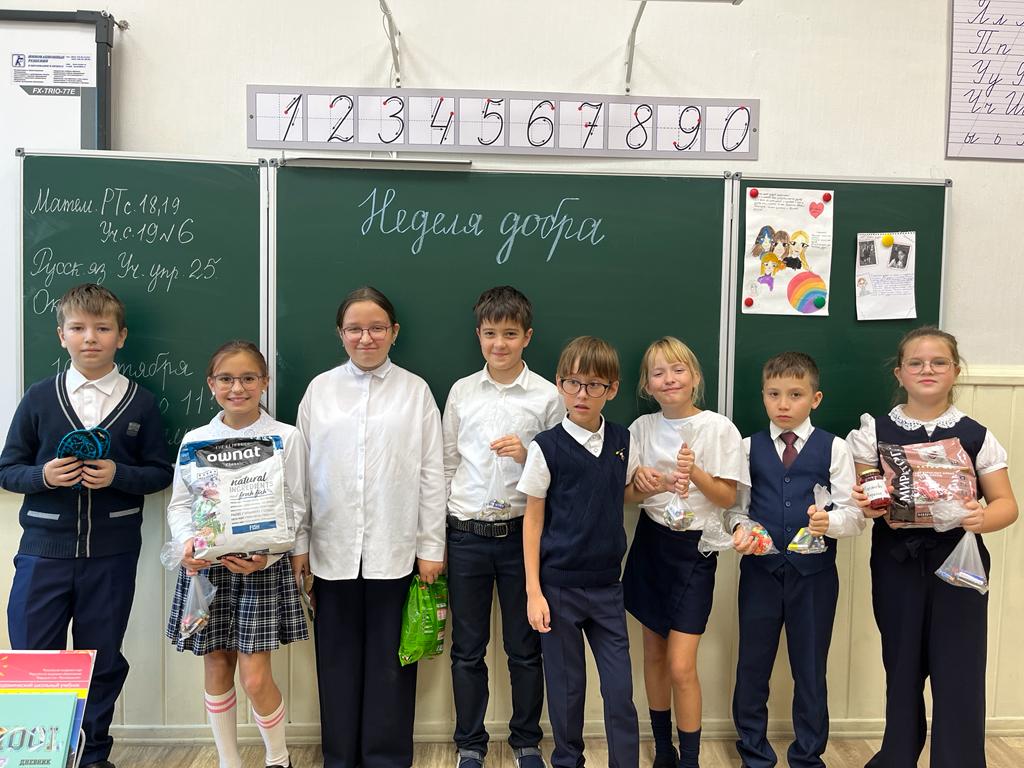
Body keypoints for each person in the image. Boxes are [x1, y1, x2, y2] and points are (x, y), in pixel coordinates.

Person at [0, 283, 173, 768]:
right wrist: (43, 476)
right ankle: (37, 758)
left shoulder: (141, 403)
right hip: (42, 551)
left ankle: (93, 755)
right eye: (78, 328)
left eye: (102, 328)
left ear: (121, 336)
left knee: (102, 658)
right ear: (61, 335)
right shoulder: (39, 397)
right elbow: (7, 469)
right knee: (34, 658)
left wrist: (119, 474)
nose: (90, 337)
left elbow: (160, 472)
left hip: (111, 555)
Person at [846, 327, 1018, 768]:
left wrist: (983, 518)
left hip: (960, 561)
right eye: (916, 363)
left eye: (939, 362)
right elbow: (869, 495)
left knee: (959, 667)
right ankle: (897, 757)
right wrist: (866, 502)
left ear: (955, 370)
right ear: (899, 372)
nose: (928, 369)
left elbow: (1006, 505)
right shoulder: (873, 432)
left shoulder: (976, 435)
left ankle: (959, 761)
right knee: (902, 663)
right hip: (897, 559)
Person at [293, 286, 446, 768]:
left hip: (395, 549)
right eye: (355, 328)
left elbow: (432, 473)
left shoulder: (416, 392)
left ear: (394, 332)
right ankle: (340, 758)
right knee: (336, 663)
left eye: (377, 327)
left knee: (390, 663)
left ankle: (386, 758)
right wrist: (300, 544)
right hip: (331, 550)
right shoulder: (319, 391)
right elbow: (301, 475)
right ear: (340, 334)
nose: (366, 337)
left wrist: (431, 546)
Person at [165, 340, 308, 768]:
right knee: (215, 665)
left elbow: (297, 507)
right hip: (206, 571)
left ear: (265, 382)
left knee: (255, 677)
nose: (237, 388)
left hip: (262, 570)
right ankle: (229, 761)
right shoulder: (196, 440)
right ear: (211, 384)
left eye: (248, 378)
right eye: (226, 379)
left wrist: (271, 555)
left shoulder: (285, 437)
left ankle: (278, 759)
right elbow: (179, 506)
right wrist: (186, 545)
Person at [442, 286, 561, 768]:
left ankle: (526, 741)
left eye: (510, 334)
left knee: (524, 648)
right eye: (490, 334)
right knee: (467, 650)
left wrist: (528, 454)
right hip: (466, 534)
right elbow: (447, 464)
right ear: (478, 335)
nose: (499, 344)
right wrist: (439, 538)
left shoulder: (548, 396)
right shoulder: (461, 392)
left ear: (527, 337)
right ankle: (470, 744)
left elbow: (560, 471)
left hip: (519, 537)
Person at [622, 337, 749, 768]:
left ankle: (690, 759)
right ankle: (664, 751)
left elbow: (727, 497)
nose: (669, 379)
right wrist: (645, 486)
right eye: (658, 373)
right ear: (647, 385)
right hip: (652, 544)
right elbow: (627, 497)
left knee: (681, 665)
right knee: (654, 655)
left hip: (695, 550)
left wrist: (693, 471)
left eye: (678, 370)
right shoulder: (641, 429)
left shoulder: (719, 428)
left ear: (695, 377)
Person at [732, 351, 863, 768]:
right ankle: (754, 753)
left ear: (815, 398)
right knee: (753, 665)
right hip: (760, 572)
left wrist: (830, 522)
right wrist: (741, 529)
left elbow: (854, 515)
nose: (783, 404)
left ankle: (807, 756)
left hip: (815, 576)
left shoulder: (835, 448)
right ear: (763, 396)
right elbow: (736, 509)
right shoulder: (747, 447)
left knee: (810, 668)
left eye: (795, 394)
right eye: (773, 394)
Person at [518, 335, 641, 768]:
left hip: (607, 586)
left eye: (594, 385)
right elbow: (533, 520)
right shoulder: (545, 447)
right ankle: (568, 760)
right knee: (567, 692)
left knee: (619, 691)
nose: (582, 394)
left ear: (612, 389)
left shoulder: (623, 440)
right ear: (559, 385)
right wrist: (534, 591)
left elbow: (620, 492)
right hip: (558, 589)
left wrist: (647, 486)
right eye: (572, 383)